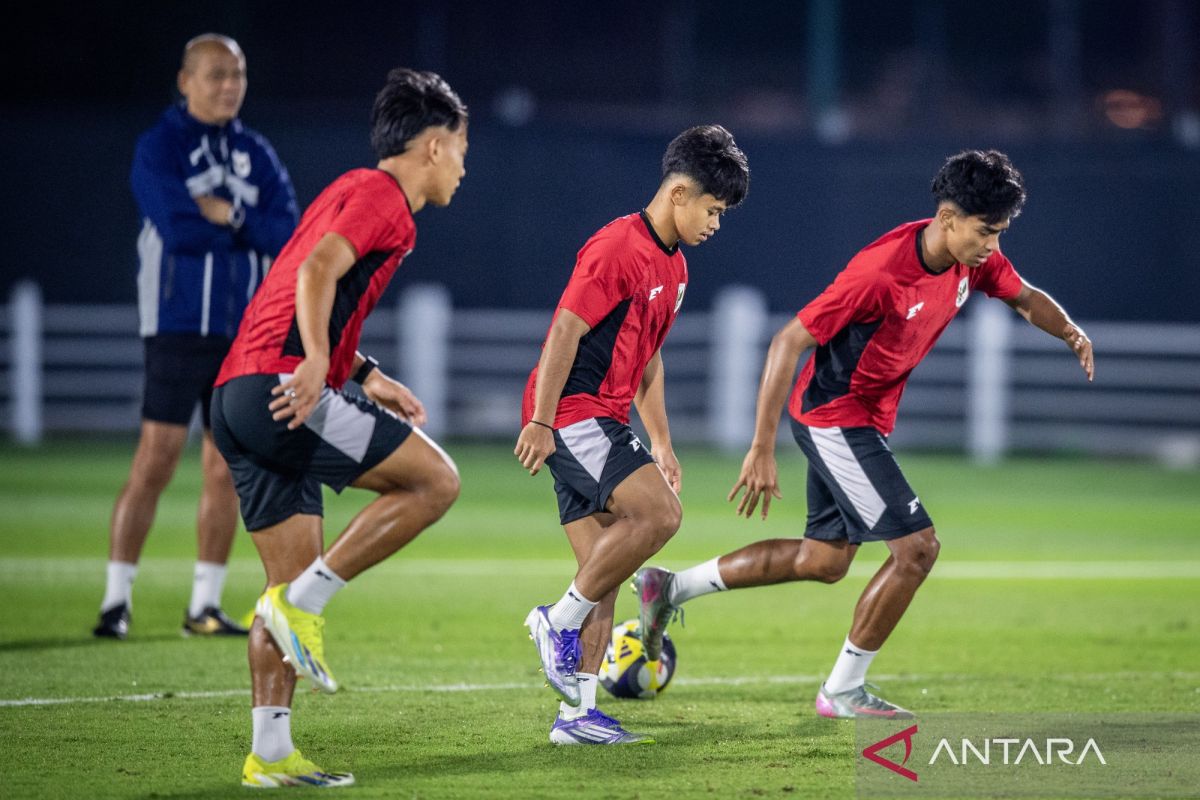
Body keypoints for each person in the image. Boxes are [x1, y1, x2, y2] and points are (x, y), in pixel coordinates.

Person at [634, 149, 1095, 719]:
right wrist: (760, 447)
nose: (993, 246)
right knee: (917, 550)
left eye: (1000, 233)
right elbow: (787, 342)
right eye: (986, 232)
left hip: (860, 422)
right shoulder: (880, 273)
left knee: (823, 561)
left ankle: (668, 589)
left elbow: (1024, 298)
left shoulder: (972, 260)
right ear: (947, 217)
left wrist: (1069, 330)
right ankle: (843, 691)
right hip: (834, 417)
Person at [211, 67, 466, 788]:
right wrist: (321, 362)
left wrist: (363, 372)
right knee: (434, 483)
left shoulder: (350, 189)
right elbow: (319, 269)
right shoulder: (385, 196)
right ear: (434, 147)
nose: (465, 165)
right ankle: (306, 602)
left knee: (281, 589)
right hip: (284, 388)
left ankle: (270, 751)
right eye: (462, 147)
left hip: (239, 394)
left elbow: (314, 278)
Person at [515, 125, 750, 745]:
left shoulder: (675, 267)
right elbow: (566, 330)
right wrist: (542, 420)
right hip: (572, 411)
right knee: (661, 518)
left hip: (604, 416)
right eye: (712, 209)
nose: (715, 224)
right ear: (678, 193)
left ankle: (576, 716)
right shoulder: (618, 246)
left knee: (603, 567)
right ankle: (554, 622)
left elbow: (649, 360)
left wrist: (663, 443)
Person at [94, 34, 298, 640]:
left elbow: (286, 232)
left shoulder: (256, 153)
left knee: (223, 470)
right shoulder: (160, 146)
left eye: (236, 74)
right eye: (215, 75)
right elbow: (177, 231)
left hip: (243, 336)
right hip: (177, 327)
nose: (228, 85)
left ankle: (203, 606)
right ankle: (115, 602)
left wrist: (229, 215)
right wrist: (244, 229)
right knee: (154, 461)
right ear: (185, 81)